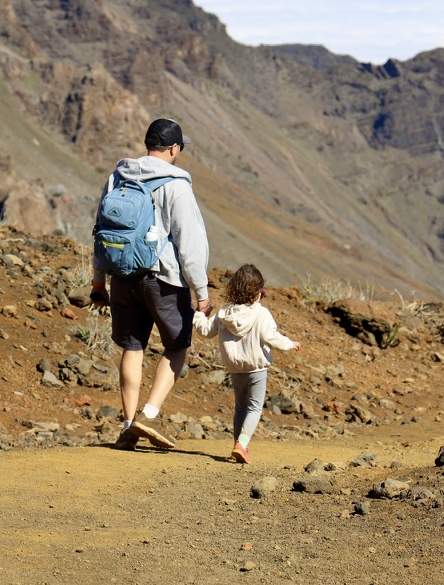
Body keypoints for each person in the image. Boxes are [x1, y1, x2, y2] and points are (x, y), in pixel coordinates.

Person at [90, 118, 212, 450]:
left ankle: (128, 423)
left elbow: (101, 230)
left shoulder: (117, 176)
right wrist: (201, 293)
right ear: (174, 148)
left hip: (122, 276)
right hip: (163, 280)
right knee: (176, 345)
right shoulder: (175, 184)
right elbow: (190, 243)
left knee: (132, 346)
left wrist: (98, 281)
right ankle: (149, 414)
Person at [193, 263, 301, 464]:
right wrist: (289, 344)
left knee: (240, 408)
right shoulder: (261, 314)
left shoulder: (225, 313)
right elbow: (271, 337)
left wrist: (199, 314)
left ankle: (239, 444)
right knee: (254, 407)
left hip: (235, 369)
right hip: (257, 369)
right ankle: (241, 444)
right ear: (258, 293)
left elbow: (206, 331)